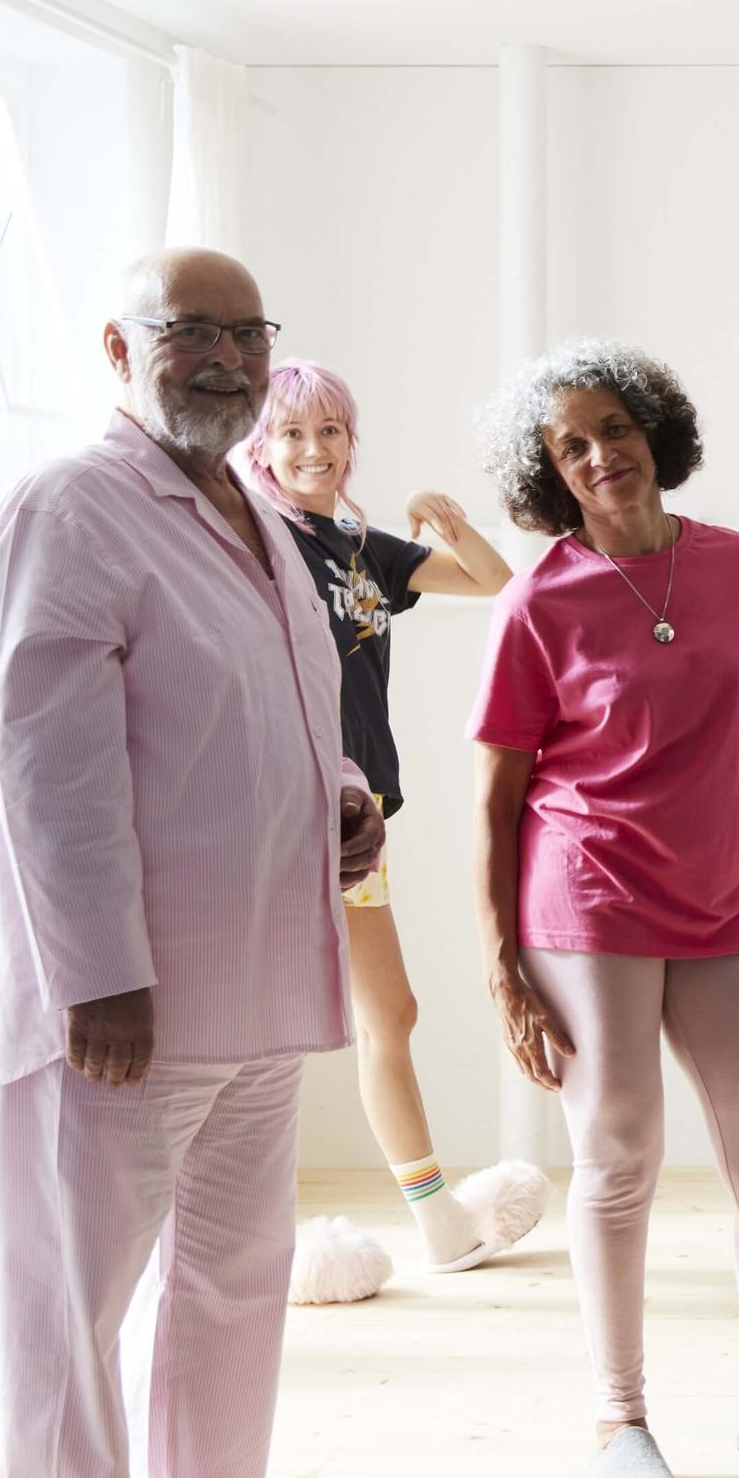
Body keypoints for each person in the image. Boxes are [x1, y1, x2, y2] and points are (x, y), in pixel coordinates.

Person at [0, 249, 384, 1478]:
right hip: (124, 1004)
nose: (222, 356)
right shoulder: (73, 507)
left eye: (245, 333)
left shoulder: (254, 507)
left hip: (262, 977)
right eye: (187, 332)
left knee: (233, 1273)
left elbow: (271, 702)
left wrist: (340, 799)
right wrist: (97, 973)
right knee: (73, 1308)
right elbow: (46, 762)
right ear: (116, 345)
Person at [468, 339, 739, 1478]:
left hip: (721, 899)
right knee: (619, 1154)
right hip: (585, 901)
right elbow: (494, 799)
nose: (599, 456)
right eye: (567, 447)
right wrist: (498, 966)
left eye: (612, 428)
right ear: (548, 476)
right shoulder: (536, 601)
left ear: (654, 430)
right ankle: (619, 1417)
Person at [242, 360, 546, 1270]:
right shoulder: (259, 536)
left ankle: (436, 1223)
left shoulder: (355, 545)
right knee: (259, 1021)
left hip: (355, 813)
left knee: (391, 1012)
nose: (312, 449)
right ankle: (252, 1239)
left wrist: (444, 518)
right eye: (292, 433)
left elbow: (498, 581)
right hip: (283, 804)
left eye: (330, 430)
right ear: (262, 445)